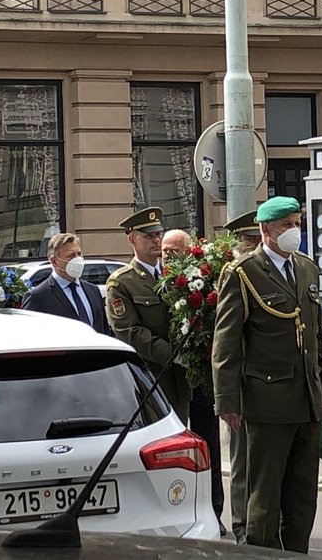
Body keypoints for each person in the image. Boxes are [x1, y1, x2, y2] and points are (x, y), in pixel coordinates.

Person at [212, 196, 322, 554]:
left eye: (297, 223)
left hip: (307, 401)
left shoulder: (307, 268)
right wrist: (228, 401)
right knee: (263, 498)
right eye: (286, 225)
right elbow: (227, 343)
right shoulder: (243, 272)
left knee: (302, 497)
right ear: (265, 230)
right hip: (265, 401)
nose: (294, 231)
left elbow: (314, 338)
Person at [159, 228, 227, 537]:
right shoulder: (143, 282)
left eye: (176, 252)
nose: (169, 257)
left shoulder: (204, 279)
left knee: (208, 447)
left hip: (200, 379)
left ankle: (213, 511)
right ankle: (171, 513)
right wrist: (176, 356)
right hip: (165, 383)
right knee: (170, 453)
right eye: (165, 251)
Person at [106, 207, 191, 422]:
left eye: (158, 234)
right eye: (149, 236)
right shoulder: (122, 282)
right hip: (151, 377)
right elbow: (130, 332)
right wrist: (174, 355)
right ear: (132, 240)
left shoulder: (175, 275)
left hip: (181, 378)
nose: (156, 240)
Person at [219, 209, 261, 545]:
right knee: (243, 459)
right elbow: (227, 340)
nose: (252, 246)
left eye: (255, 240)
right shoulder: (232, 275)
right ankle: (243, 524)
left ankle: (264, 522)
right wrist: (228, 396)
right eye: (248, 241)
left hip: (271, 385)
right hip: (243, 381)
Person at [22, 233, 107, 334]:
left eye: (79, 254)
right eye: (71, 256)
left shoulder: (93, 291)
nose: (77, 259)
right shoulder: (37, 297)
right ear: (54, 261)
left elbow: (104, 331)